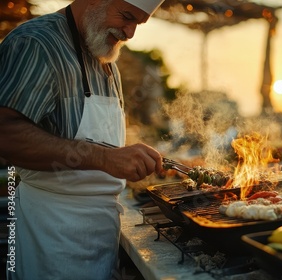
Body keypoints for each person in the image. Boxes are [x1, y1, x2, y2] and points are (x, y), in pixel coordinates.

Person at [0, 0, 165, 279]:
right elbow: (4, 132)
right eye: (126, 17)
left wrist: (127, 158)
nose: (131, 32)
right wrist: (104, 158)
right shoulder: (36, 43)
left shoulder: (105, 53)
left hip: (100, 237)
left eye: (138, 22)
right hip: (52, 237)